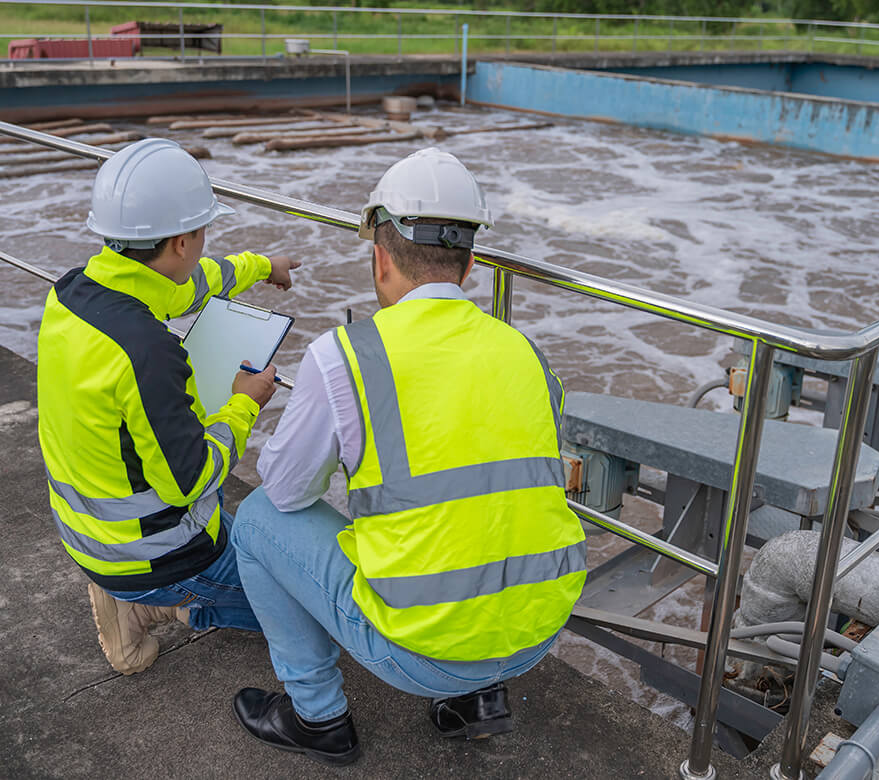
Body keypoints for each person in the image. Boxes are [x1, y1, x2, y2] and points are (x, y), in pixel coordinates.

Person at [230, 148, 587, 767]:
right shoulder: (526, 352)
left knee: (260, 518)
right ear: (470, 264)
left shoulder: (344, 355)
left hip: (424, 655)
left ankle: (317, 717)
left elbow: (286, 492)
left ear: (379, 257)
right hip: (537, 633)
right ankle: (477, 701)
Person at [36, 138, 300, 676]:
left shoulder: (74, 292)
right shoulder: (147, 353)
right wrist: (243, 405)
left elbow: (188, 287)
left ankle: (127, 592)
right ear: (182, 241)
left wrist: (260, 266)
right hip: (152, 555)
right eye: (203, 234)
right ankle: (162, 604)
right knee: (311, 612)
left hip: (84, 530)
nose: (204, 247)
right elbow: (192, 481)